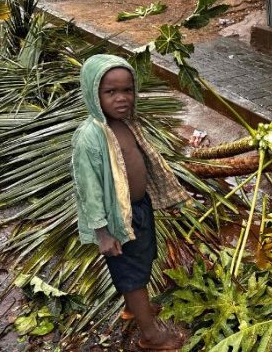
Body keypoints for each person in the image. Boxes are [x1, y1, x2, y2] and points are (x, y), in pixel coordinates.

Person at [71, 54, 189, 350]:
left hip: (138, 209)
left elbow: (146, 162)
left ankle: (134, 309)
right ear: (92, 93)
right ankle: (150, 336)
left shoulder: (126, 123)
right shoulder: (90, 137)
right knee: (132, 272)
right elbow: (89, 189)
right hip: (116, 220)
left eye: (127, 90)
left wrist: (165, 196)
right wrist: (102, 232)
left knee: (143, 260)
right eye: (110, 92)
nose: (122, 98)